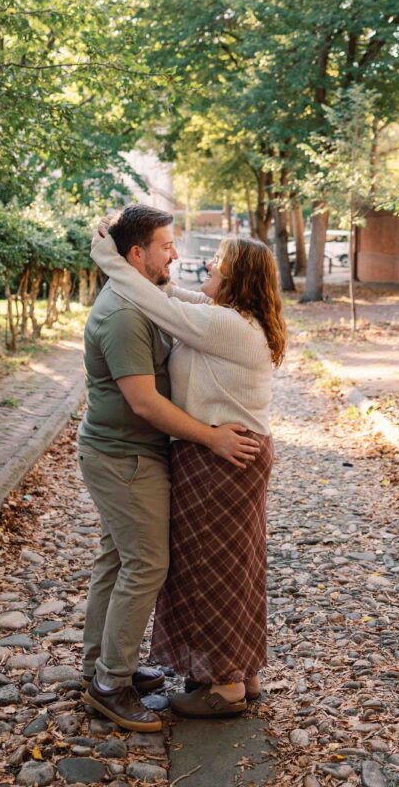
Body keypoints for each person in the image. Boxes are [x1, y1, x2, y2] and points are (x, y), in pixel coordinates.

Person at [91, 222, 286, 719]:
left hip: (222, 457)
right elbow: (168, 292)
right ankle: (243, 671)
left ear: (236, 277)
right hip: (230, 454)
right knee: (237, 568)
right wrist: (128, 259)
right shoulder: (227, 316)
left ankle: (225, 686)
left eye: (218, 264)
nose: (206, 266)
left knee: (214, 571)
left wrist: (110, 260)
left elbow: (159, 304)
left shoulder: (226, 325)